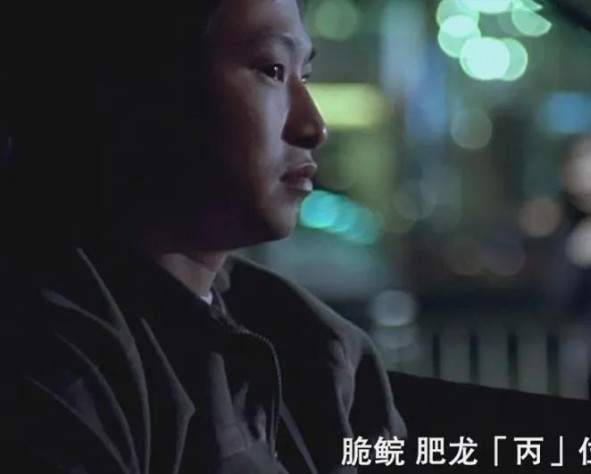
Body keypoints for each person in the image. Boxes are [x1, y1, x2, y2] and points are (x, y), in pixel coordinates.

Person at [1, 0, 405, 472]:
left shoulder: (321, 354)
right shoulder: (50, 361)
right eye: (273, 70)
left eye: (305, 76)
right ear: (140, 86)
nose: (313, 126)